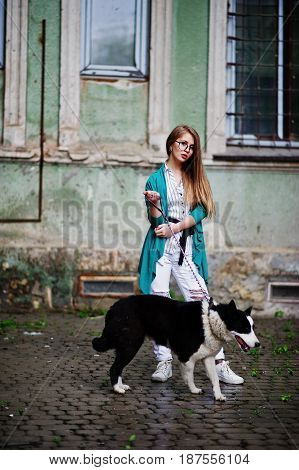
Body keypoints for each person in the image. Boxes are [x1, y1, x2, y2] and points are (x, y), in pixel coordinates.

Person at [138, 124, 244, 385]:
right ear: (172, 144)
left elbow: (200, 212)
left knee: (204, 304)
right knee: (159, 305)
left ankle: (220, 364)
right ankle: (164, 362)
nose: (187, 150)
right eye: (183, 144)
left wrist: (176, 226)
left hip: (186, 247)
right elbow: (155, 222)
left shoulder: (194, 176)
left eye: (192, 146)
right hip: (160, 249)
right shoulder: (155, 179)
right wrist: (156, 206)